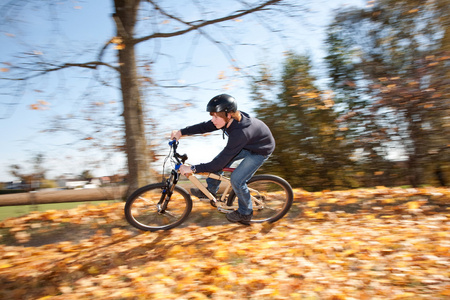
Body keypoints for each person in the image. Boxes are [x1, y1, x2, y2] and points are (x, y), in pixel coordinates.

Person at [170, 94, 275, 225]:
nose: (213, 120)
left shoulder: (240, 132)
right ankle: (211, 190)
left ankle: (245, 212)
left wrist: (192, 168)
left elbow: (217, 164)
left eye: (215, 116)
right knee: (220, 160)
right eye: (212, 115)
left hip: (260, 150)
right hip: (248, 143)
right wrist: (181, 132)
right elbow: (204, 127)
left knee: (237, 179)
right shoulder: (226, 119)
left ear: (229, 115)